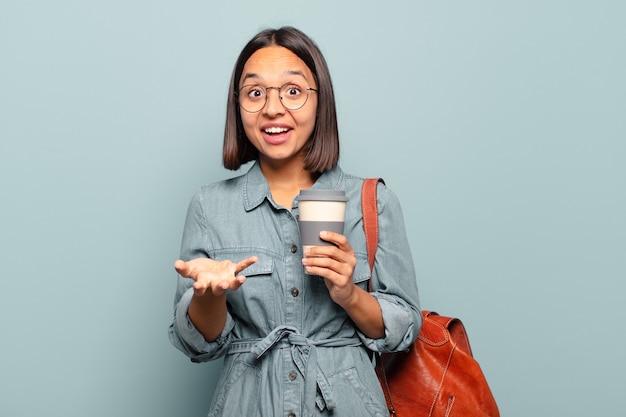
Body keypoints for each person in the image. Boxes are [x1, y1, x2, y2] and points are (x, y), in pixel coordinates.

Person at [168, 26, 421, 417]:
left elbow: (403, 330)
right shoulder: (209, 206)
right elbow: (198, 344)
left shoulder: (372, 202)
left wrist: (349, 294)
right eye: (255, 93)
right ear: (238, 106)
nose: (272, 108)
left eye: (292, 91)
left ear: (320, 101)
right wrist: (210, 295)